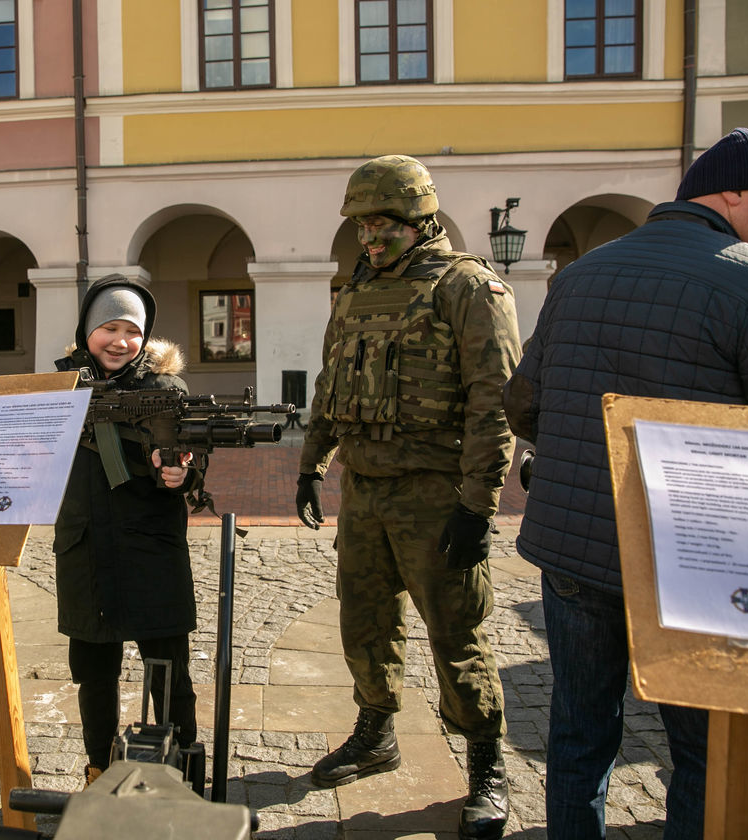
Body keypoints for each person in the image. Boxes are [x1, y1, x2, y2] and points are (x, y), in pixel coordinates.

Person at [504, 127, 748, 840]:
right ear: (734, 193)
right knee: (697, 748)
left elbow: (523, 401)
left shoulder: (580, 273)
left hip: (575, 549)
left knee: (579, 735)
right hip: (697, 564)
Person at [295, 155, 521, 840]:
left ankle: (485, 762)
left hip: (435, 491)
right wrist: (312, 465)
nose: (369, 237)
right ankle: (376, 730)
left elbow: (496, 402)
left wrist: (477, 505)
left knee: (456, 631)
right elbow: (332, 381)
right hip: (365, 488)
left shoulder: (470, 288)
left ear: (420, 219)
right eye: (362, 225)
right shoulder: (359, 289)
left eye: (382, 224)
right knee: (363, 622)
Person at [53, 275, 200, 787]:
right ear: (87, 330)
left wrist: (181, 470)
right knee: (94, 674)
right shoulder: (60, 387)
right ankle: (99, 766)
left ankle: (183, 769)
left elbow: (189, 455)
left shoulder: (165, 389)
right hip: (86, 548)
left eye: (132, 331)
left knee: (170, 673)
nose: (120, 341)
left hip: (151, 547)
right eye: (108, 328)